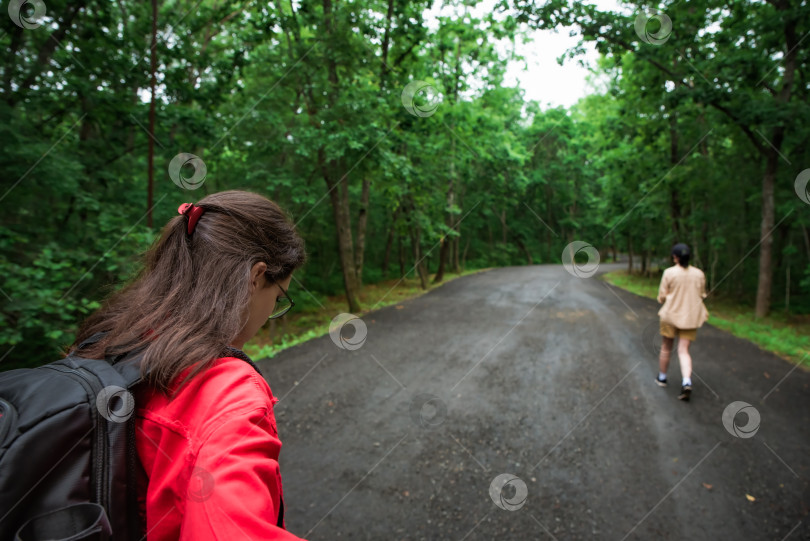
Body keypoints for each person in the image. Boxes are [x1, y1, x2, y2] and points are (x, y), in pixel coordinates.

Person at [69, 190, 307, 540]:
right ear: (256, 276)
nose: (270, 313)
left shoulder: (107, 339)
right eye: (278, 297)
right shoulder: (228, 393)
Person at [655, 243, 709, 401]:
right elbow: (702, 294)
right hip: (691, 318)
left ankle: (662, 378)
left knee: (666, 346)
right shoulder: (699, 274)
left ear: (676, 257)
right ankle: (686, 381)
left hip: (670, 316)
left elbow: (661, 296)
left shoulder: (669, 273)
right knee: (684, 350)